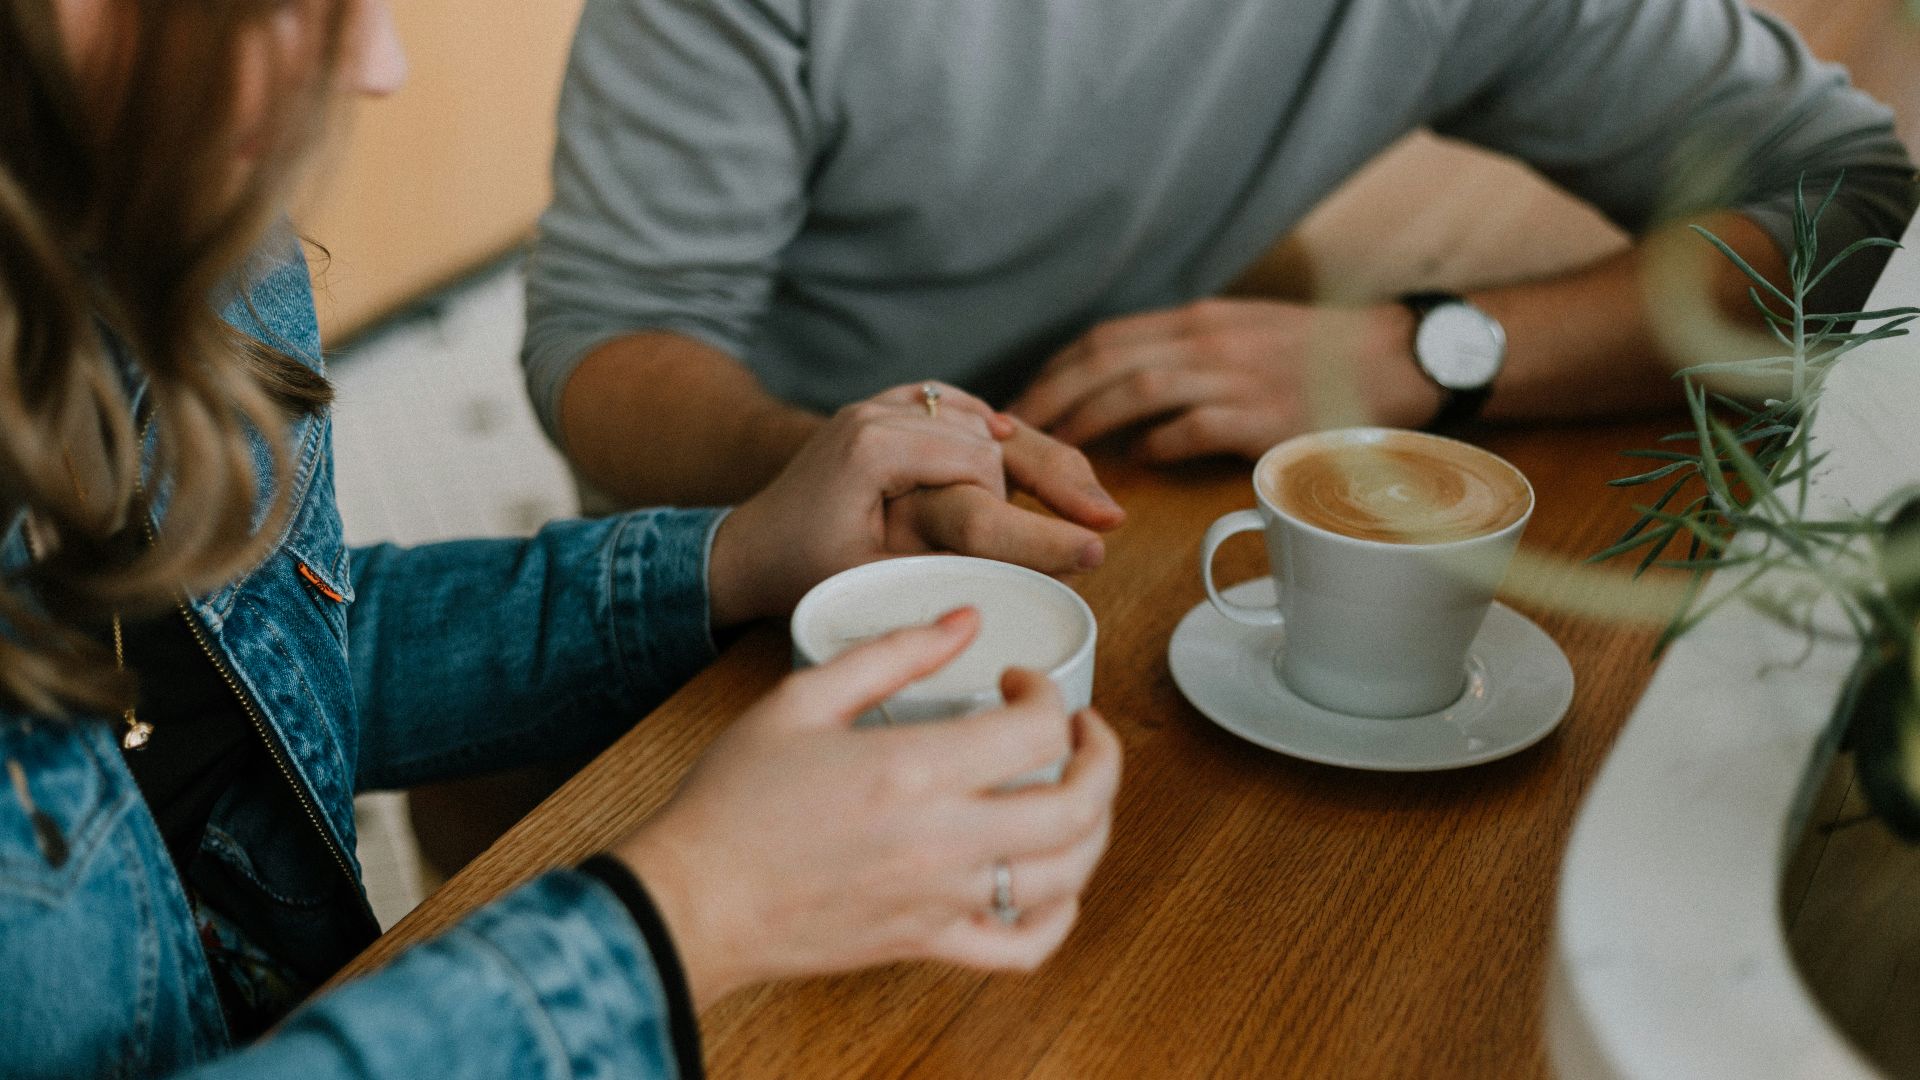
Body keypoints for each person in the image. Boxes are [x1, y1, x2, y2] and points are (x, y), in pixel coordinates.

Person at [0, 1, 1123, 1076]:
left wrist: (733, 555)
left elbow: (266, 662)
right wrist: (684, 915)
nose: (377, 65)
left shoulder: (156, 239)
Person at [523, 0, 1918, 512]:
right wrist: (850, 464)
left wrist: (1422, 350)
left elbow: (1857, 209)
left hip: (1142, 475)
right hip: (744, 510)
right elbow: (608, 344)